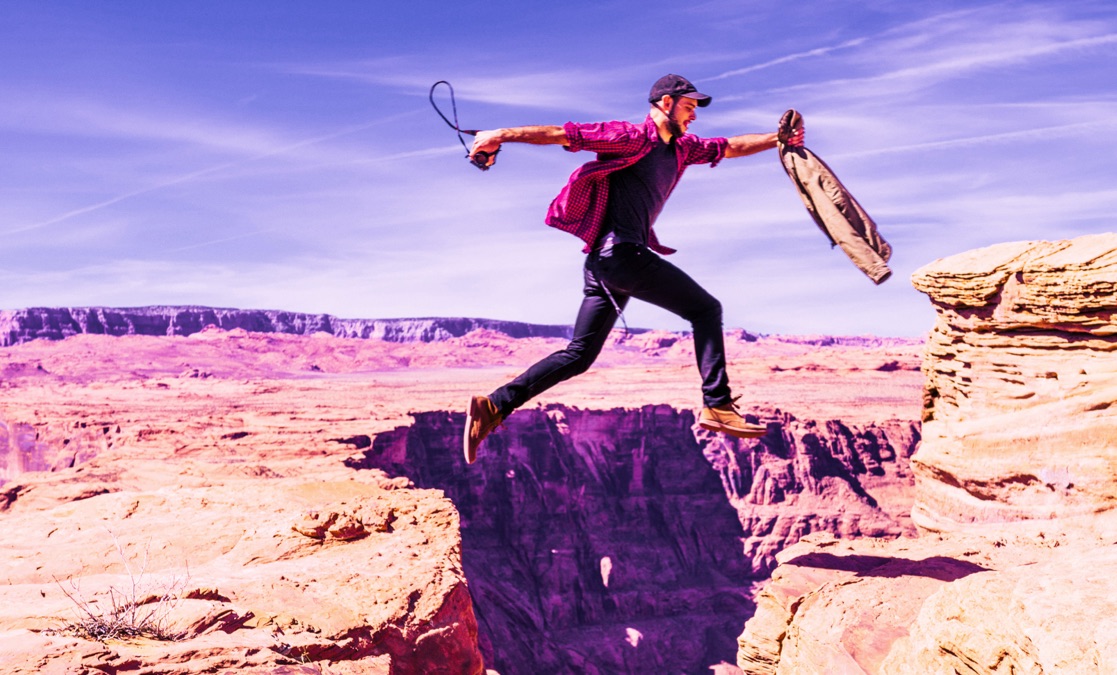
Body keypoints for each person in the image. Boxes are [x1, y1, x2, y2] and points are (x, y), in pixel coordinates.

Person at [463, 74, 804, 463]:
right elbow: (562, 134)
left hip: (603, 264)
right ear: (665, 103)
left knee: (578, 355)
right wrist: (499, 135)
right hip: (621, 256)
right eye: (689, 107)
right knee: (705, 310)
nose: (694, 116)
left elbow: (729, 147)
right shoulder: (630, 137)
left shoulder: (682, 148)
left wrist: (778, 140)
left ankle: (494, 405)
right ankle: (717, 404)